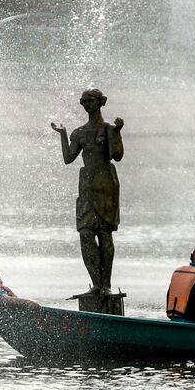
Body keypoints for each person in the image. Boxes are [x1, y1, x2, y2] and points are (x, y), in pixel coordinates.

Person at [51, 89, 124, 294]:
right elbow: (68, 158)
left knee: (104, 232)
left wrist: (117, 132)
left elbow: (116, 155)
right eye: (83, 101)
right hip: (86, 184)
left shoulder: (109, 129)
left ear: (100, 103)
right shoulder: (79, 133)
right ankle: (96, 284)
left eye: (90, 101)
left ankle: (106, 286)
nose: (86, 104)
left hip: (106, 182)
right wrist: (63, 134)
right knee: (85, 233)